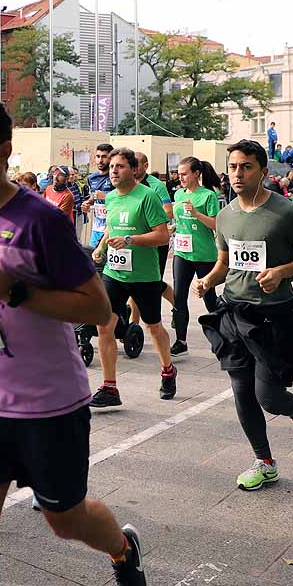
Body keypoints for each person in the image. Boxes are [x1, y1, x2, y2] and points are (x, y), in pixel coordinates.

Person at [0, 96, 146, 586]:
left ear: (2, 152)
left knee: (65, 520)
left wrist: (17, 290)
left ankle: (123, 550)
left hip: (48, 406)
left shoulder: (40, 221)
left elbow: (97, 307)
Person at [194, 139, 293, 491]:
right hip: (234, 312)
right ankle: (264, 462)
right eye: (233, 166)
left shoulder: (284, 213)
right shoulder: (225, 215)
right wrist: (208, 280)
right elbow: (225, 263)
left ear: (264, 172)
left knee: (268, 395)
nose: (238, 173)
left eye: (246, 166)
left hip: (273, 316)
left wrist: (282, 271)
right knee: (241, 391)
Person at [90, 148, 176, 407]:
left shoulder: (147, 197)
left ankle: (168, 369)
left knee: (153, 327)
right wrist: (101, 246)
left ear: (134, 169)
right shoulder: (112, 198)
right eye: (112, 166)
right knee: (104, 325)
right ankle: (109, 387)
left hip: (143, 274)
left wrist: (130, 239)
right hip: (114, 272)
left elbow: (162, 236)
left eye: (120, 167)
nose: (114, 171)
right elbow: (111, 227)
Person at [170, 157, 222, 357]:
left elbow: (216, 225)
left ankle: (220, 336)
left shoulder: (207, 196)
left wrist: (196, 214)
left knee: (209, 296)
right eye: (179, 173)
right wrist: (173, 227)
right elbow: (181, 220)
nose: (180, 177)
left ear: (196, 174)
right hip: (182, 253)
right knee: (179, 297)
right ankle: (180, 341)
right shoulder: (178, 194)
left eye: (184, 173)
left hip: (204, 254)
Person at [83, 144, 116, 250]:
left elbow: (125, 198)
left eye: (104, 157)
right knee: (94, 258)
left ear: (111, 158)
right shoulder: (92, 178)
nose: (100, 160)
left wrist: (106, 196)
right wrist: (88, 203)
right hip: (97, 228)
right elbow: (95, 196)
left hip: (113, 227)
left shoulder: (116, 177)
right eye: (98, 156)